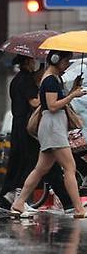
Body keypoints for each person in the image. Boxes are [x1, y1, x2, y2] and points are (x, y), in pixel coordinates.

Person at [11, 50, 87, 218]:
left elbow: (54, 103)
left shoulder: (53, 79)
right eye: (66, 61)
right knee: (69, 167)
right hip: (53, 127)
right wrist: (73, 95)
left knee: (40, 169)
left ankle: (19, 202)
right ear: (55, 59)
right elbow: (52, 106)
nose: (67, 65)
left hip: (52, 126)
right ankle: (78, 209)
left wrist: (72, 90)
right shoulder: (50, 80)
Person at [0, 54, 75, 213]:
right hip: (27, 127)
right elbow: (35, 102)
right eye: (33, 61)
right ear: (27, 62)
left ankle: (8, 200)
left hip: (19, 125)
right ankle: (15, 199)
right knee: (31, 163)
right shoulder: (26, 79)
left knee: (35, 165)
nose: (35, 64)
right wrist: (44, 93)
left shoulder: (17, 79)